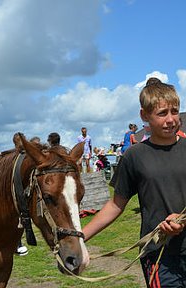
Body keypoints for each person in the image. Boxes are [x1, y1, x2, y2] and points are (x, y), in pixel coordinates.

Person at [82, 77, 186, 287]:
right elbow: (115, 204)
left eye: (174, 111)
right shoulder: (134, 156)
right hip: (158, 253)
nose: (170, 119)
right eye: (162, 113)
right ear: (144, 115)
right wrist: (80, 237)